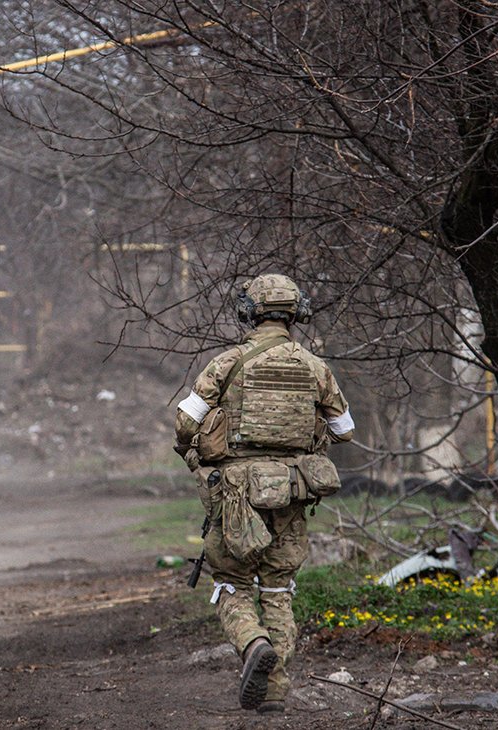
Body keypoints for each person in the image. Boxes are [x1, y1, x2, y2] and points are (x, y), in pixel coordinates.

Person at [173, 273, 354, 713]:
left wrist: (197, 457)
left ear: (247, 311)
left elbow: (185, 423)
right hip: (292, 491)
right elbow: (344, 430)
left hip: (237, 494)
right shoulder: (316, 368)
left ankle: (253, 643)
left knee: (232, 581)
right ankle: (274, 688)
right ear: (297, 313)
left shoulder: (226, 363)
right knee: (278, 587)